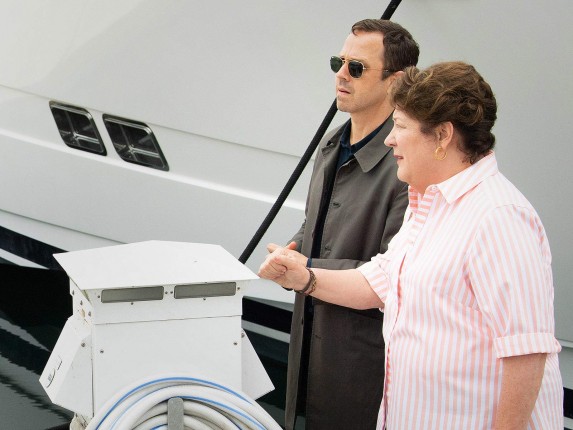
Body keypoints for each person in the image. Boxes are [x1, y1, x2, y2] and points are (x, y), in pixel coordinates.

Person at [260, 61, 563, 430]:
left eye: (400, 126)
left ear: (442, 135)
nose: (390, 139)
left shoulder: (500, 217)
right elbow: (381, 282)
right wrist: (303, 276)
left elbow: (526, 352)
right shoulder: (426, 203)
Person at [265, 19, 419, 429]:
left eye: (356, 67)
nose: (341, 74)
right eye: (339, 62)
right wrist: (289, 254)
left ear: (396, 80)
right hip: (310, 348)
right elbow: (315, 223)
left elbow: (396, 275)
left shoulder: (407, 167)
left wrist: (306, 271)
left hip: (363, 367)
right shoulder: (332, 143)